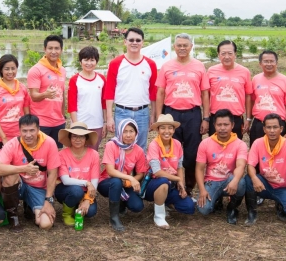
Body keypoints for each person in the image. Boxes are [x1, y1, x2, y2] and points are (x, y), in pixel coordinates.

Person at [155, 33, 210, 191]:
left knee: (192, 154)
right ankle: (172, 187)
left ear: (191, 47)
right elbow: (160, 92)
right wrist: (159, 117)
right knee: (170, 151)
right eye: (179, 45)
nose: (182, 48)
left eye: (185, 45)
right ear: (174, 47)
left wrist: (206, 118)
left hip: (193, 114)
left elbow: (205, 93)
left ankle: (189, 186)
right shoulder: (167, 66)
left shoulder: (199, 66)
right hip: (171, 114)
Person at [0, 114, 60, 232]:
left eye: (32, 130)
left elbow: (53, 174)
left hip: (39, 188)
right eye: (24, 131)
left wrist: (48, 200)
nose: (28, 135)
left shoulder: (49, 143)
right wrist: (23, 169)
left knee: (45, 224)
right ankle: (13, 216)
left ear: (38, 129)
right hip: (19, 185)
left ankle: (29, 205)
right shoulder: (12, 144)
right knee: (10, 175)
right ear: (19, 130)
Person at [195, 109, 252, 225]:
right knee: (204, 209)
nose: (222, 128)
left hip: (229, 181)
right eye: (219, 125)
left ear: (232, 125)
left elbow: (241, 166)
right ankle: (216, 200)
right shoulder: (205, 143)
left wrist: (234, 181)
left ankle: (232, 207)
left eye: (226, 125)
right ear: (214, 125)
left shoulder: (240, 144)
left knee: (241, 182)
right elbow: (199, 169)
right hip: (212, 182)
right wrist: (202, 190)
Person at [104, 27, 158, 151]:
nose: (134, 43)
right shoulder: (115, 63)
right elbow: (109, 91)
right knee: (122, 147)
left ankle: (140, 165)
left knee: (140, 148)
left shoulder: (150, 64)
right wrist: (109, 117)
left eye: (138, 40)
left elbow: (153, 92)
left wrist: (153, 115)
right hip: (122, 111)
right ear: (125, 42)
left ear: (142, 42)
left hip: (143, 112)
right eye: (131, 40)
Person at [247, 113, 286, 224]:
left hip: (284, 187)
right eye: (268, 127)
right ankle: (251, 212)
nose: (272, 131)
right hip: (265, 184)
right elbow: (250, 165)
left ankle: (280, 204)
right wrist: (254, 178)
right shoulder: (258, 143)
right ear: (264, 129)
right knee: (248, 179)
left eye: (275, 127)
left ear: (281, 129)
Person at [97, 119, 151, 232]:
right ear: (119, 132)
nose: (128, 135)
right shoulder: (111, 145)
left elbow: (141, 173)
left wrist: (132, 181)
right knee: (116, 181)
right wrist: (130, 177)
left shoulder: (138, 150)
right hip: (107, 182)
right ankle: (114, 217)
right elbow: (110, 171)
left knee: (137, 206)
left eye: (131, 131)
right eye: (125, 131)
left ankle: (121, 204)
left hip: (125, 183)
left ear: (136, 133)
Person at [146, 114, 196, 222]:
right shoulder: (154, 145)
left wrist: (181, 184)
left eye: (170, 128)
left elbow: (179, 167)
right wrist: (177, 179)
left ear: (174, 130)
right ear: (158, 130)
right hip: (155, 182)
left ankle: (165, 202)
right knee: (163, 181)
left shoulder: (177, 144)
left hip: (171, 184)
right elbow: (157, 172)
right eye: (163, 128)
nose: (166, 131)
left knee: (189, 208)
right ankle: (159, 216)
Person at [206, 40, 253, 140]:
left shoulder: (245, 72)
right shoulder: (211, 71)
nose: (226, 57)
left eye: (230, 53)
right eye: (223, 53)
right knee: (214, 146)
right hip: (216, 117)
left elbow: (248, 96)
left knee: (235, 146)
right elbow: (206, 95)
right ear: (218, 55)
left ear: (235, 54)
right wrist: (205, 117)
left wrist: (248, 119)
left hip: (236, 118)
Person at [55, 123, 101, 226]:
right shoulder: (62, 154)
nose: (77, 139)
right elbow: (65, 180)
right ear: (70, 138)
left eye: (81, 137)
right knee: (76, 191)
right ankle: (67, 214)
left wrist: (87, 200)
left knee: (91, 212)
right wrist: (86, 183)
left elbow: (94, 181)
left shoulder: (94, 155)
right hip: (66, 189)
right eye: (74, 136)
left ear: (86, 138)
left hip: (86, 192)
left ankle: (77, 205)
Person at [249, 50, 286, 144]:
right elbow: (252, 101)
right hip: (259, 123)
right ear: (260, 63)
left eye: (272, 61)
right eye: (266, 61)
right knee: (257, 150)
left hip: (277, 125)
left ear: (276, 63)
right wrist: (249, 121)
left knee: (278, 151)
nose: (269, 64)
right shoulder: (255, 79)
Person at [27, 35, 67, 145]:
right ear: (44, 49)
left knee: (57, 151)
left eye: (57, 48)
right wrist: (45, 94)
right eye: (50, 48)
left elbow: (62, 94)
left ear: (61, 50)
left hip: (59, 122)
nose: (53, 51)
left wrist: (63, 116)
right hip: (41, 122)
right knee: (40, 152)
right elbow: (34, 96)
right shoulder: (36, 70)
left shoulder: (62, 70)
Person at [0, 54, 31, 148]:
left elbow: (27, 113)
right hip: (0, 137)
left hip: (20, 136)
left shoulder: (22, 88)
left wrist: (27, 132)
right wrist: (4, 138)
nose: (10, 72)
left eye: (13, 68)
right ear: (1, 70)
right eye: (7, 69)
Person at [67, 46, 106, 148]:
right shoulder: (74, 80)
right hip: (80, 124)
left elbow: (104, 103)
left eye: (92, 60)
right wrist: (76, 125)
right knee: (79, 152)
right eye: (86, 60)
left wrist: (105, 123)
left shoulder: (101, 79)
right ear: (80, 62)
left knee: (93, 152)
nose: (89, 63)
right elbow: (72, 105)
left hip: (97, 124)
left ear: (96, 61)